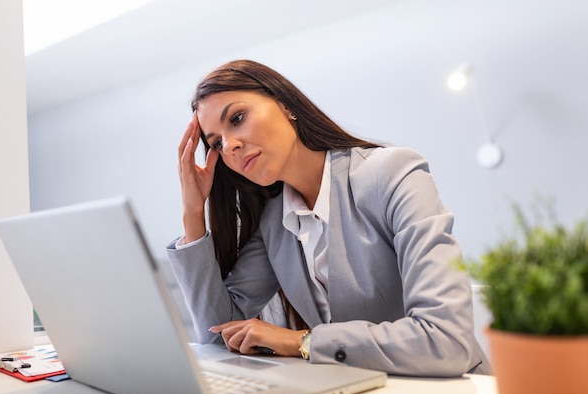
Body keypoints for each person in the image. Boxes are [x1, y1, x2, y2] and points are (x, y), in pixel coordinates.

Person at [166, 59, 491, 377]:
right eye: (217, 143)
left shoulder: (392, 174)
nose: (231, 146)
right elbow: (217, 337)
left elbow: (446, 339)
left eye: (237, 118)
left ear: (285, 105)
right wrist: (193, 215)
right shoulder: (272, 222)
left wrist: (303, 342)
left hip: (449, 393)